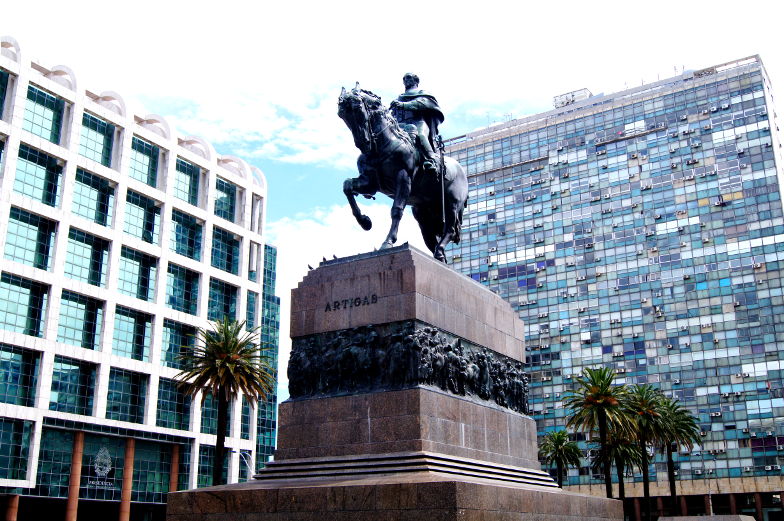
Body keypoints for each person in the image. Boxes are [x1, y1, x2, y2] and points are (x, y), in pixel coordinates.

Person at [390, 73, 444, 175]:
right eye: (405, 78)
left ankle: (432, 160)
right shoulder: (399, 98)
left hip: (418, 122)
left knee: (421, 135)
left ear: (416, 81)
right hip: (401, 125)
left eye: (409, 78)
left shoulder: (422, 93)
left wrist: (404, 105)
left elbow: (423, 103)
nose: (406, 80)